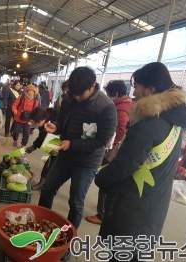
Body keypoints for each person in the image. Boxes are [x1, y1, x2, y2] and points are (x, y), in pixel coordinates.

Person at [94, 62, 186, 262]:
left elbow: (123, 166)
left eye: (137, 86)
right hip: (154, 203)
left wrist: (99, 178)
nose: (134, 91)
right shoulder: (175, 120)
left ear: (151, 89)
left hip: (133, 207)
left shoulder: (149, 123)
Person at [39, 66, 117, 260]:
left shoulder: (106, 107)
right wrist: (55, 126)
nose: (76, 98)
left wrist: (71, 144)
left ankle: (67, 244)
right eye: (73, 94)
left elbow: (101, 142)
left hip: (87, 162)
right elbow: (62, 118)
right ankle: (41, 228)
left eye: (80, 95)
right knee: (47, 188)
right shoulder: (70, 98)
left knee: (75, 202)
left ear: (93, 85)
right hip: (65, 155)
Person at [86, 80, 133, 225]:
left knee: (104, 180)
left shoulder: (121, 108)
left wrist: (110, 144)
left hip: (113, 150)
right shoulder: (126, 104)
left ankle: (101, 214)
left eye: (109, 94)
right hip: (117, 149)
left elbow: (121, 129)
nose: (108, 97)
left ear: (116, 94)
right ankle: (105, 210)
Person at [25, 106, 58, 190]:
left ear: (43, 119)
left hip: (58, 143)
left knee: (54, 165)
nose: (35, 124)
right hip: (50, 142)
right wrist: (33, 147)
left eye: (36, 122)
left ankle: (50, 186)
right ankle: (43, 182)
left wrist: (54, 147)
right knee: (47, 161)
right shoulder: (44, 119)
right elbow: (42, 136)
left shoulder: (55, 120)